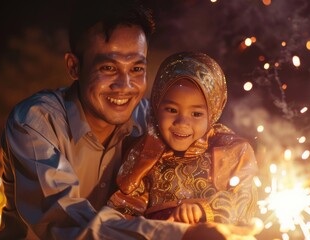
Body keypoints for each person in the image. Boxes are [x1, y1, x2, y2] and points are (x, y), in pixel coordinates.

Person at [0, 0, 261, 239]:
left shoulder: (153, 121)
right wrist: (181, 234)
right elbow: (64, 222)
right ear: (74, 66)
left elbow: (212, 147)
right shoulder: (34, 124)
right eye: (108, 68)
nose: (125, 85)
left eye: (136, 69)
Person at [108, 52, 258, 225]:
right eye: (171, 110)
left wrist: (203, 209)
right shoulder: (143, 154)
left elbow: (245, 201)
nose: (182, 123)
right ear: (156, 106)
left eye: (196, 114)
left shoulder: (230, 151)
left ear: (213, 112)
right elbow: (123, 212)